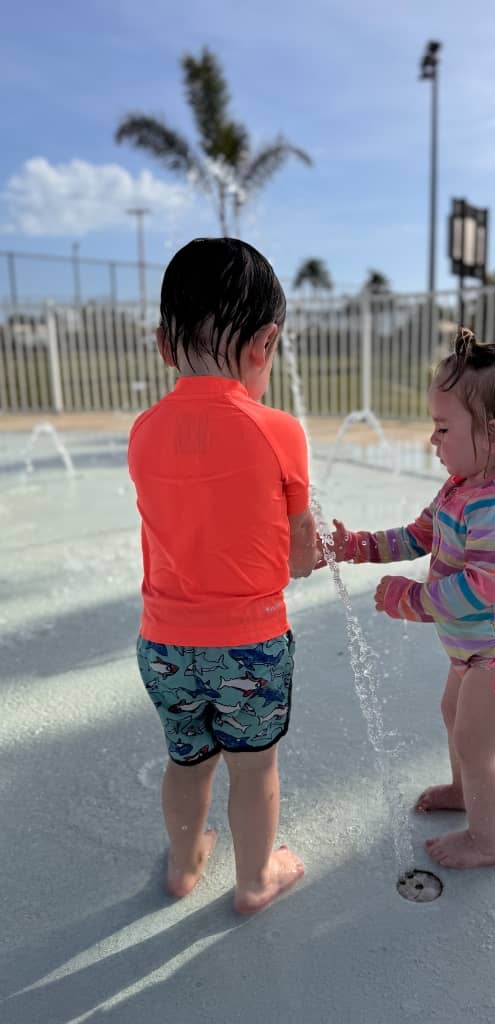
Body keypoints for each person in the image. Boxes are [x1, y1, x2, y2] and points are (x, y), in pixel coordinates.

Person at [128, 237, 317, 912]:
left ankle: (183, 867)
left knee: (187, 761)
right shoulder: (278, 430)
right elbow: (297, 553)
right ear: (265, 345)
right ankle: (254, 879)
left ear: (162, 345)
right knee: (254, 767)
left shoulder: (143, 430)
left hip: (164, 644)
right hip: (251, 644)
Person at [321, 329, 495, 869]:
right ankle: (460, 788)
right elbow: (418, 535)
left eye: (443, 427)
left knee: (476, 745)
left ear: (494, 434)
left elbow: (479, 591)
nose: (433, 439)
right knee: (453, 716)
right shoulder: (461, 485)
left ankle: (487, 841)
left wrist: (411, 599)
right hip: (476, 653)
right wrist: (357, 545)